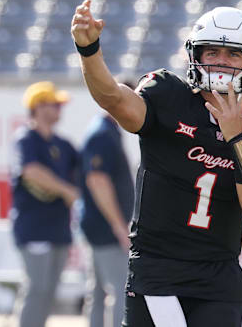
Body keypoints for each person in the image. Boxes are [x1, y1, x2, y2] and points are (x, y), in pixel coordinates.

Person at [71, 0, 242, 327]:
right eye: (212, 52)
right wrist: (89, 51)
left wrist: (238, 137)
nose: (222, 62)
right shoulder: (168, 95)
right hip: (158, 268)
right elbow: (114, 99)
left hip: (218, 276)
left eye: (234, 54)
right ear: (195, 56)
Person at [10, 81, 80, 327]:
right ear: (38, 107)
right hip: (33, 229)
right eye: (55, 104)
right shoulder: (26, 139)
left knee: (48, 292)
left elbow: (84, 167)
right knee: (37, 288)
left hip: (58, 229)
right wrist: (66, 190)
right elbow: (30, 171)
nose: (60, 109)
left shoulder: (62, 144)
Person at [79, 83, 135, 327]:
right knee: (120, 289)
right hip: (107, 229)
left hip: (102, 227)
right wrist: (119, 226)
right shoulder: (102, 133)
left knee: (100, 293)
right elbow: (97, 180)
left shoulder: (107, 130)